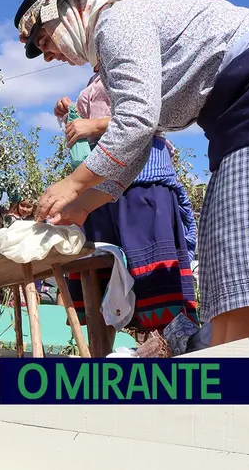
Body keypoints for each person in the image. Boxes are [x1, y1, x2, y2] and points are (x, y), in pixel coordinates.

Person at [14, 0, 249, 346]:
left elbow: (136, 122)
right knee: (227, 267)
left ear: (68, 10)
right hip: (233, 120)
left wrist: (73, 183)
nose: (48, 55)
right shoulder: (110, 49)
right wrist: (82, 207)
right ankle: (227, 371)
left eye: (45, 40)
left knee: (240, 260)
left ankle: (233, 385)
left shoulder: (117, 20)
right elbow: (137, 144)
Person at [56, 72, 199, 334]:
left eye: (45, 41)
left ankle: (169, 357)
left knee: (156, 287)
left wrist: (95, 126)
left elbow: (148, 116)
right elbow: (89, 139)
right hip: (99, 188)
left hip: (143, 181)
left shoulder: (138, 62)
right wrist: (71, 116)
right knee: (99, 280)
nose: (51, 55)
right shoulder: (93, 80)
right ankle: (100, 362)